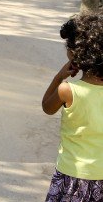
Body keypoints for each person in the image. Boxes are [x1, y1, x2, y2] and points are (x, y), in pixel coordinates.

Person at [42, 12, 103, 202]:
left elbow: (46, 106)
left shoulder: (67, 90)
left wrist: (59, 76)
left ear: (74, 53)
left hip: (72, 176)